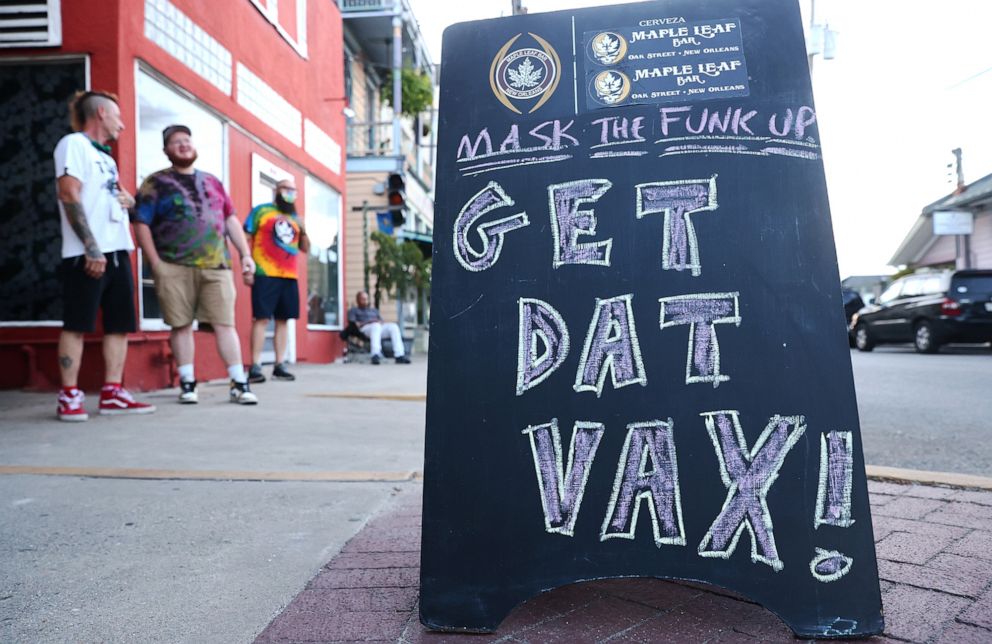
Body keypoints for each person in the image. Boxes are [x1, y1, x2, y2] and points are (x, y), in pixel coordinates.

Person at [133, 125, 258, 405]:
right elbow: (140, 222)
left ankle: (239, 382)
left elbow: (230, 220)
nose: (183, 145)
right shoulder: (155, 183)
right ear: (166, 151)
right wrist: (155, 263)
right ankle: (188, 383)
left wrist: (245, 254)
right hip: (173, 266)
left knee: (225, 323)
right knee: (181, 325)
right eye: (175, 142)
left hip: (216, 266)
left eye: (187, 140)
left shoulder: (213, 182)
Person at [53, 90, 156, 421]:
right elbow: (69, 193)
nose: (122, 125)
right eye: (118, 116)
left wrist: (127, 199)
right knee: (77, 323)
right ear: (100, 113)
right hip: (87, 252)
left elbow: (103, 198)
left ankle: (112, 393)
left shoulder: (106, 158)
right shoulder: (74, 145)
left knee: (119, 325)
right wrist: (91, 246)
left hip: (117, 251)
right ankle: (69, 396)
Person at [243, 179, 309, 383]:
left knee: (284, 320)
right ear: (277, 191)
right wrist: (247, 266)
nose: (289, 193)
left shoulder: (296, 219)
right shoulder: (261, 211)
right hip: (265, 273)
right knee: (262, 318)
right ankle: (255, 366)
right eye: (286, 189)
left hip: (289, 276)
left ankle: (279, 365)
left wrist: (304, 229)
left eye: (293, 190)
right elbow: (246, 236)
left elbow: (305, 248)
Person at [347, 291, 411, 365]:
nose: (365, 301)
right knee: (375, 326)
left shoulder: (373, 310)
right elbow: (355, 325)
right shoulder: (354, 310)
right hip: (365, 329)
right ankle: (375, 355)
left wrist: (379, 322)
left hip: (378, 328)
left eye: (366, 299)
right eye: (363, 299)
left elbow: (381, 321)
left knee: (394, 326)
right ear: (358, 300)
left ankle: (399, 355)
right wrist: (370, 322)